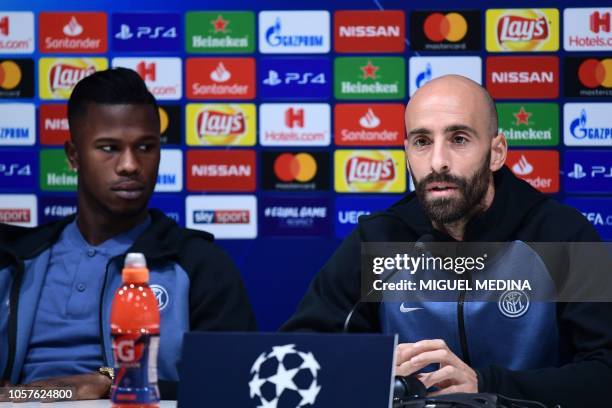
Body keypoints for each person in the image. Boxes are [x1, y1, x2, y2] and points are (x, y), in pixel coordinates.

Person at [282, 75, 612, 407]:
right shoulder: (380, 240)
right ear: (407, 152)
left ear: (497, 152)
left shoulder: (562, 236)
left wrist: (487, 387)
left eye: (458, 139)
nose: (438, 161)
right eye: (422, 141)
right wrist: (371, 370)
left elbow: (605, 371)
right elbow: (296, 357)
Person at [0, 68, 256, 400]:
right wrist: (23, 398)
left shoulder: (198, 264)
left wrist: (109, 380)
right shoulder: (14, 259)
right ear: (74, 155)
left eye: (146, 147)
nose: (130, 165)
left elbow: (236, 380)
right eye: (109, 148)